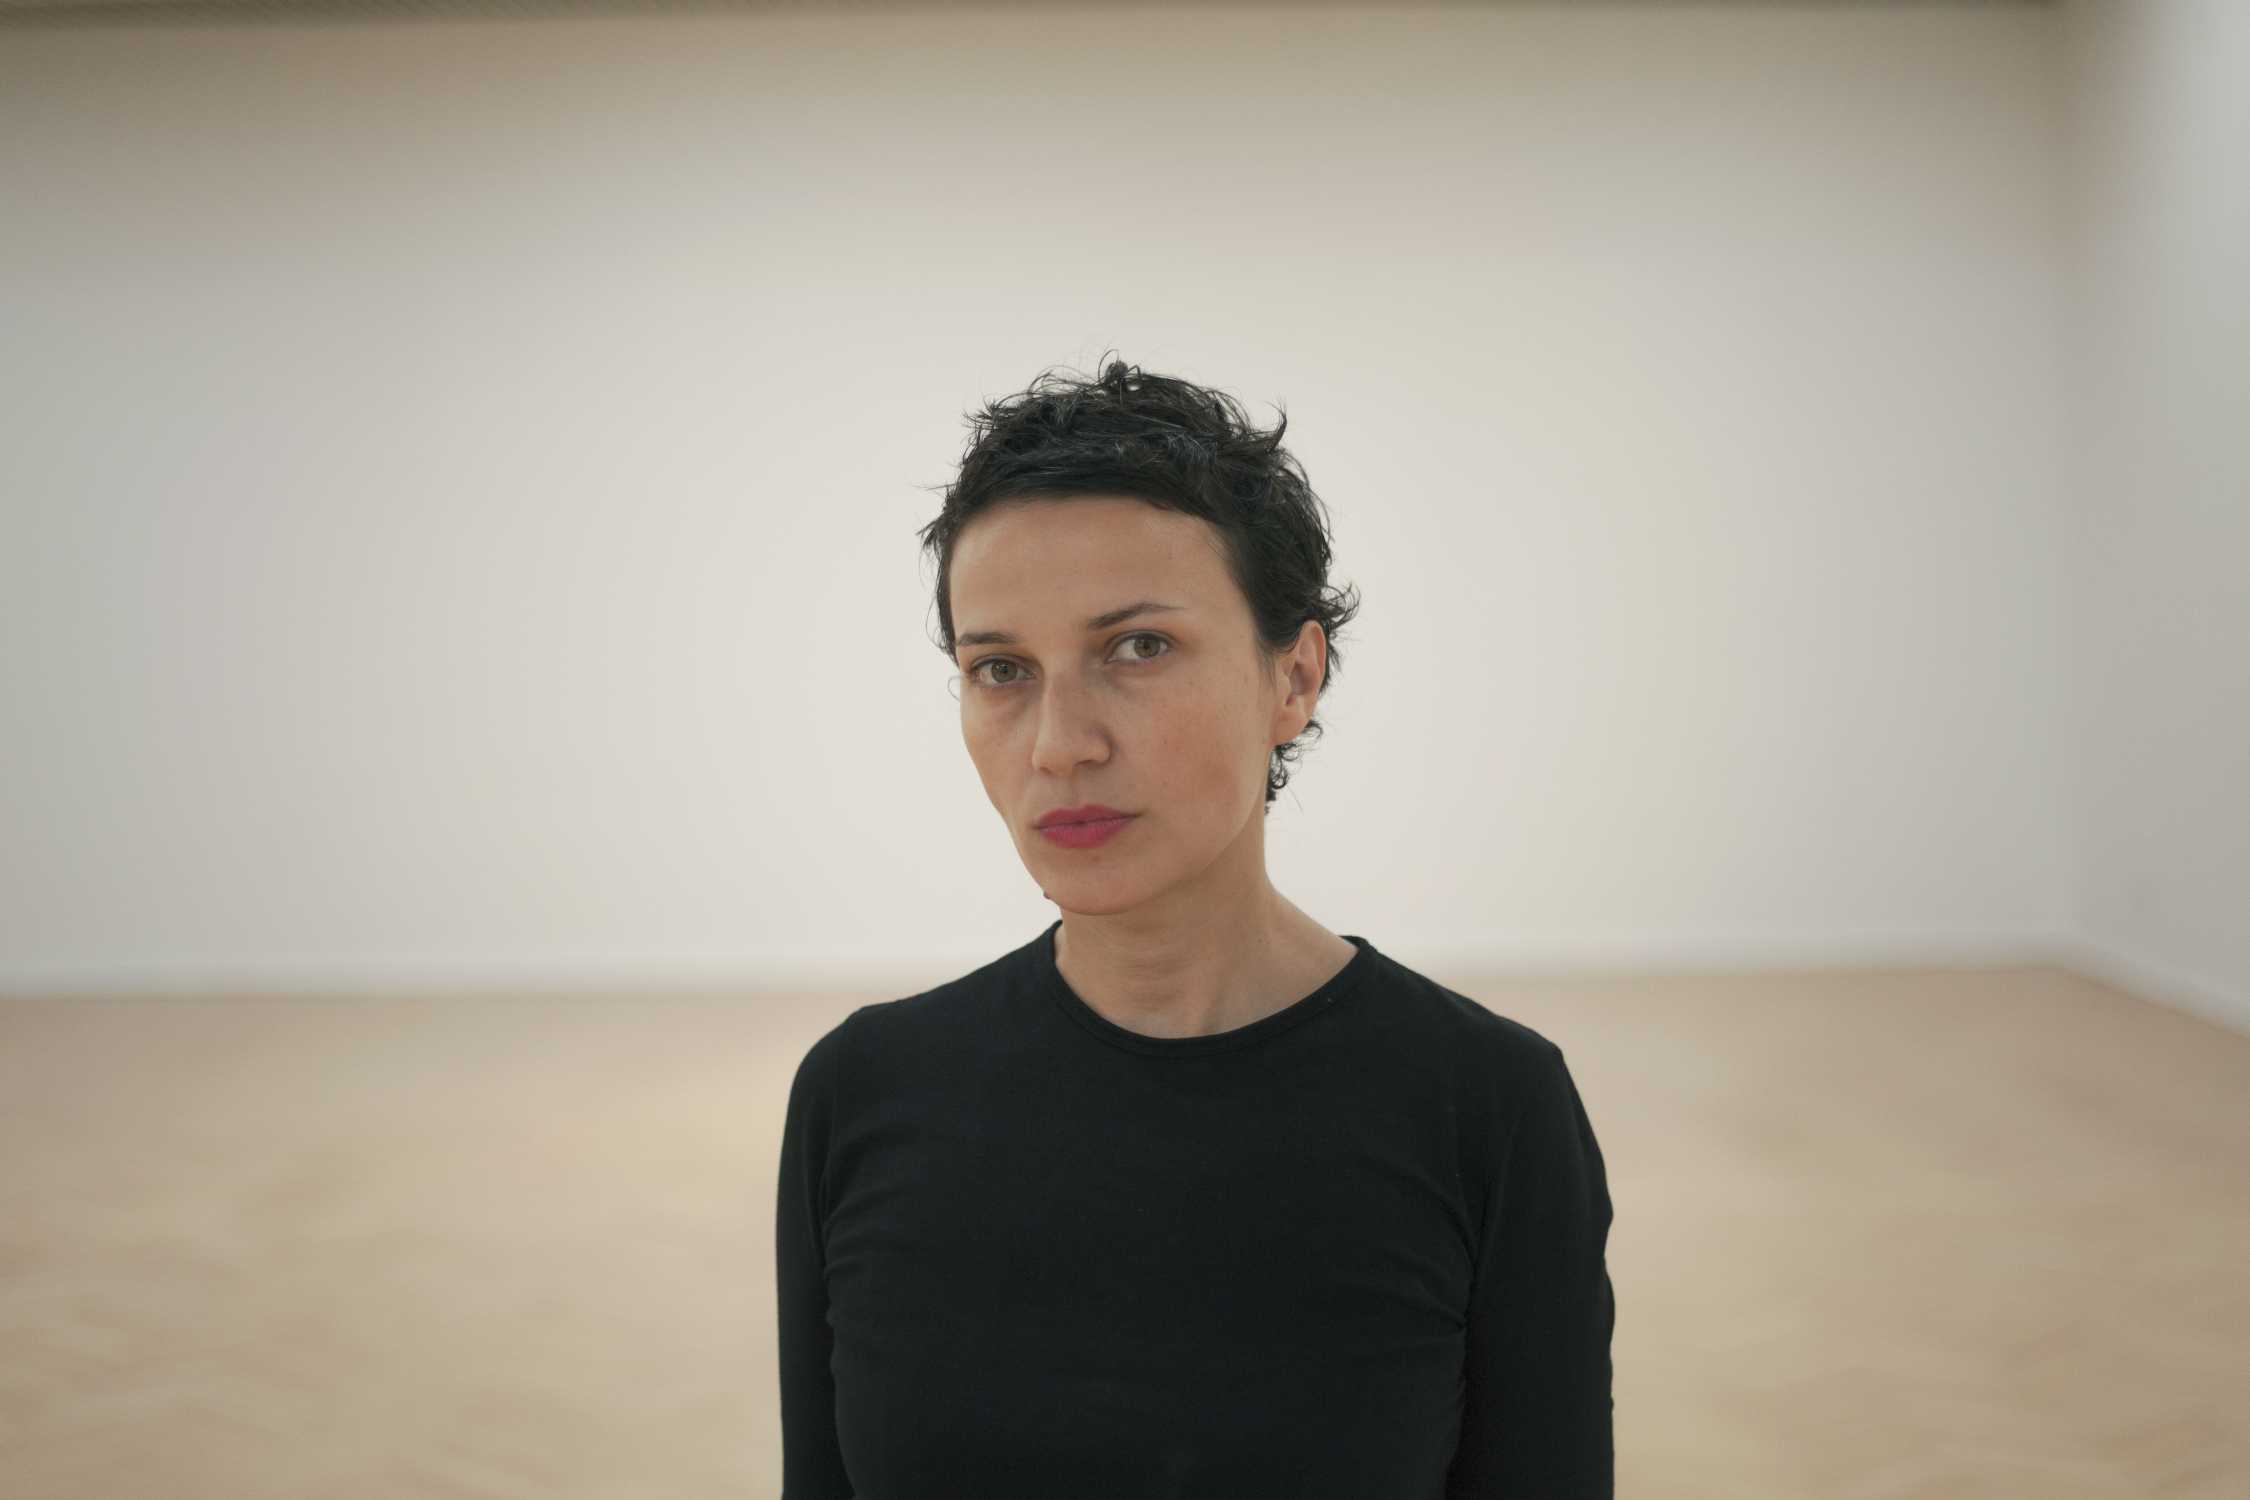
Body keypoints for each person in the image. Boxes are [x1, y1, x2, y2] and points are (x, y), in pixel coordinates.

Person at [776, 356, 1615, 1498]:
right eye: (1002, 668)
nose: (1059, 744)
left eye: (1139, 648)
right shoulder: (862, 1094)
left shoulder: (1487, 1108)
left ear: (1294, 678)